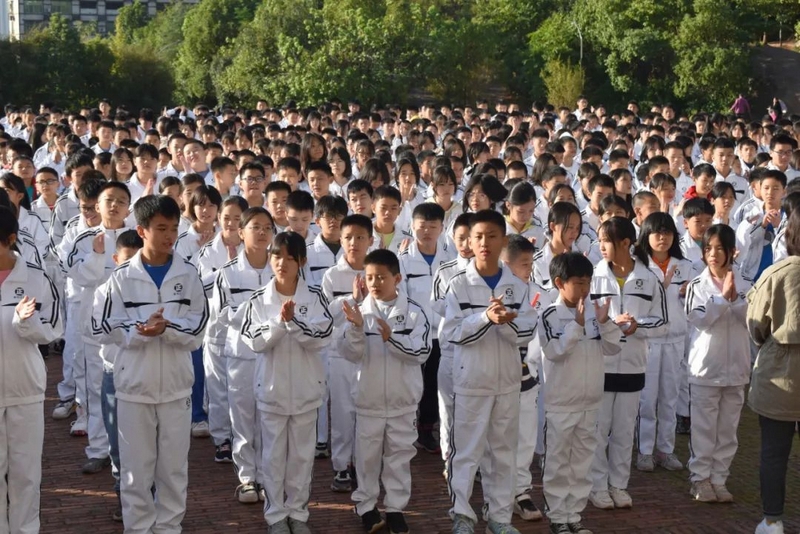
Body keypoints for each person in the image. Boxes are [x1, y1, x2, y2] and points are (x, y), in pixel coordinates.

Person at [93, 195, 209, 533]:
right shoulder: (120, 278)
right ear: (142, 230)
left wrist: (167, 329)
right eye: (161, 228)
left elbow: (199, 328)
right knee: (135, 472)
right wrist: (140, 330)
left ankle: (169, 528)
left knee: (173, 470)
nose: (169, 236)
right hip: (133, 389)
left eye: (173, 228)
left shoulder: (188, 274)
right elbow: (101, 326)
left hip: (176, 388)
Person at [443, 209, 537, 534]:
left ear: (503, 241)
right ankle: (462, 515)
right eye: (478, 237)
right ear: (469, 241)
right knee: (466, 453)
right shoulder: (458, 284)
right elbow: (452, 333)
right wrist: (485, 318)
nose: (485, 243)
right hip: (471, 381)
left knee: (503, 453)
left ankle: (499, 517)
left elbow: (528, 329)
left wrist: (506, 323)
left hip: (508, 383)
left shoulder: (518, 286)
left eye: (492, 236)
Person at [240, 231, 332, 534]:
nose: (282, 263)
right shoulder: (258, 300)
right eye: (277, 256)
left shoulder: (314, 297)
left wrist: (295, 323)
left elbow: (322, 336)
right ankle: (276, 516)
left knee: (302, 459)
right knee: (273, 458)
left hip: (306, 392)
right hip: (272, 392)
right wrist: (280, 323)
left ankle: (298, 514)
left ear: (301, 262)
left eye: (290, 258)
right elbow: (254, 341)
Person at [340, 248, 431, 534]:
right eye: (369, 277)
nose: (375, 283)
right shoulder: (358, 312)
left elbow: (421, 353)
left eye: (381, 277)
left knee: (399, 458)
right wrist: (356, 329)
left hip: (403, 402)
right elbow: (349, 353)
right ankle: (366, 506)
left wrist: (392, 340)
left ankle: (395, 509)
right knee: (366, 459)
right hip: (368, 402)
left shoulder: (414, 313)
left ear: (397, 278)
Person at [589, 217, 667, 510]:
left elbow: (662, 322)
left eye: (605, 241)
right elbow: (585, 318)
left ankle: (618, 485)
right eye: (599, 240)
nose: (601, 246)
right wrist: (610, 323)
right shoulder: (593, 276)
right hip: (600, 365)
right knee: (598, 431)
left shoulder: (649, 278)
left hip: (633, 365)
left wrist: (637, 325)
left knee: (623, 432)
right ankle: (597, 486)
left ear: (625, 243)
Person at [540, 252, 619, 534]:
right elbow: (555, 351)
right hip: (561, 403)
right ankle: (557, 516)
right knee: (558, 462)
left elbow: (614, 347)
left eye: (588, 282)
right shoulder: (550, 315)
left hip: (590, 402)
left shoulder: (596, 312)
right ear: (559, 283)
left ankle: (574, 515)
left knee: (582, 462)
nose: (584, 289)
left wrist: (605, 323)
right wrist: (577, 325)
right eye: (578, 283)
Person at [0, 205, 63, 534]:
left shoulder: (36, 278)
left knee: (25, 474)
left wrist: (26, 323)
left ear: (10, 239)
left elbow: (53, 329)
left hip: (25, 389)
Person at [211, 207, 275, 503]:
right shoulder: (227, 273)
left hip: (273, 354)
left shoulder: (280, 268)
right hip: (241, 354)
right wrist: (255, 317)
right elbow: (221, 314)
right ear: (241, 232)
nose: (261, 232)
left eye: (267, 227)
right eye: (255, 227)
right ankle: (247, 477)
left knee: (268, 418)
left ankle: (267, 475)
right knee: (242, 418)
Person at [685, 224, 751, 503]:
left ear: (732, 251)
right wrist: (722, 299)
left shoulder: (746, 283)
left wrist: (735, 299)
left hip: (737, 368)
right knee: (703, 428)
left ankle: (719, 478)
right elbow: (699, 319)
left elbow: (752, 319)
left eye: (719, 248)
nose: (713, 254)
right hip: (705, 369)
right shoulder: (697, 285)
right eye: (708, 248)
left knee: (727, 431)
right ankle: (700, 479)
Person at [747, 209, 800, 534]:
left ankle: (772, 520)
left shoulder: (777, 272)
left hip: (779, 370)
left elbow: (756, 325)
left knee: (774, 453)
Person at [634, 213, 693, 472]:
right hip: (649, 340)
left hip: (676, 339)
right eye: (657, 232)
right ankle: (645, 450)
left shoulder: (684, 265)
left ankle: (665, 450)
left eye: (667, 232)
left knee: (670, 397)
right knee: (647, 400)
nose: (663, 237)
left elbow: (692, 305)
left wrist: (686, 293)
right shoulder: (638, 266)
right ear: (646, 235)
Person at [91, 229, 143, 521]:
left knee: (148, 442)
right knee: (117, 441)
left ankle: (148, 496)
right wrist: (133, 332)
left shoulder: (152, 293)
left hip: (144, 372)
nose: (131, 268)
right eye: (126, 261)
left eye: (138, 260)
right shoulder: (105, 291)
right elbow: (99, 331)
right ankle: (124, 495)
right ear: (115, 259)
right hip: (114, 373)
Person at [322, 214, 374, 492]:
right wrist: (352, 299)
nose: (354, 243)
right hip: (339, 353)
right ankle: (342, 466)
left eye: (360, 237)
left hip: (371, 352)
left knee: (367, 410)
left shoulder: (377, 270)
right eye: (349, 237)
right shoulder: (332, 275)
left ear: (371, 240)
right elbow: (326, 315)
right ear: (341, 240)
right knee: (343, 412)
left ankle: (364, 464)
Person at [399, 203, 453, 453]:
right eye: (422, 226)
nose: (427, 231)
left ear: (442, 228)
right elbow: (401, 297)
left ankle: (427, 429)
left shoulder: (449, 260)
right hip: (415, 335)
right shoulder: (403, 261)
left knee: (433, 384)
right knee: (412, 384)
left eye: (433, 226)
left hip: (441, 334)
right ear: (412, 226)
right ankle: (407, 429)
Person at [430, 212, 473, 464]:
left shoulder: (489, 272)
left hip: (476, 350)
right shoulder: (445, 270)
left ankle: (471, 460)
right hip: (450, 349)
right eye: (460, 238)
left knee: (473, 410)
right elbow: (437, 304)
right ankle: (449, 459)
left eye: (471, 238)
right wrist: (464, 310)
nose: (466, 244)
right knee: (447, 408)